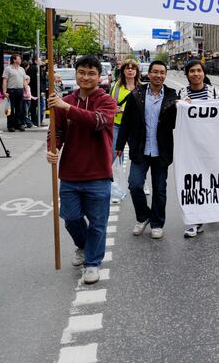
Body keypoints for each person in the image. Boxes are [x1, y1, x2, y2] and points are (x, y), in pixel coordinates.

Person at [46, 55, 117, 285]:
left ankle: (92, 263)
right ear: (76, 74)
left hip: (98, 174)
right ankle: (84, 245)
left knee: (98, 222)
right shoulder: (64, 101)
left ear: (99, 76)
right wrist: (52, 149)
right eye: (82, 72)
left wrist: (66, 107)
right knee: (71, 218)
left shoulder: (106, 101)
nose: (86, 77)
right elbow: (55, 133)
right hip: (69, 174)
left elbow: (97, 121)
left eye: (91, 73)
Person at [116, 61, 178, 239]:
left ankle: (157, 223)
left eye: (162, 72)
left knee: (159, 189)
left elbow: (177, 123)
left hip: (161, 150)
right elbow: (126, 122)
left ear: (165, 75)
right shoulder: (137, 94)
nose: (159, 75)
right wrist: (119, 145)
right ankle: (143, 216)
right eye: (155, 72)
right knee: (135, 185)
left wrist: (182, 107)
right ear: (148, 74)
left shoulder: (172, 96)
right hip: (140, 149)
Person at [178, 60, 219, 237]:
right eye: (192, 71)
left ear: (204, 73)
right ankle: (195, 220)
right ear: (187, 74)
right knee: (194, 181)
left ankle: (212, 209)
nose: (196, 74)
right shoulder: (182, 93)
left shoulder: (214, 91)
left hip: (211, 144)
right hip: (191, 145)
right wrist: (179, 106)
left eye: (199, 70)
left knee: (212, 178)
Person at [109, 60, 140, 203]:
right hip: (117, 125)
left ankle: (141, 182)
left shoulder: (141, 88)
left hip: (135, 127)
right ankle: (116, 188)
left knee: (138, 155)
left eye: (133, 68)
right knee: (116, 156)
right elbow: (109, 104)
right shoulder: (116, 87)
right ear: (123, 71)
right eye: (127, 68)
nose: (130, 70)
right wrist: (115, 109)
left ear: (137, 72)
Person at [2, 54, 27, 132]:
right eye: (19, 59)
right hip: (11, 90)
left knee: (20, 108)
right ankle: (10, 125)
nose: (20, 60)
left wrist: (26, 90)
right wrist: (4, 91)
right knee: (11, 109)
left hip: (20, 90)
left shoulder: (22, 69)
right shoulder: (8, 69)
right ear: (14, 60)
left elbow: (24, 80)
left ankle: (19, 124)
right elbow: (5, 80)